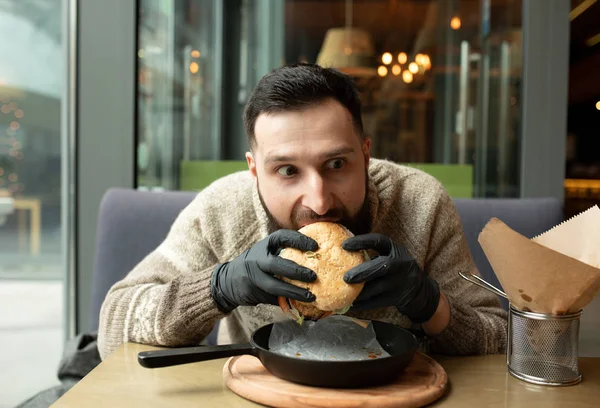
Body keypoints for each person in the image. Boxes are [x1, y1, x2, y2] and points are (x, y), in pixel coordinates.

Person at [97, 63, 507, 360]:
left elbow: (504, 337)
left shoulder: (422, 204)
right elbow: (113, 327)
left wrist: (429, 303)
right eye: (288, 171)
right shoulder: (223, 210)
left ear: (365, 155)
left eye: (336, 165)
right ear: (254, 170)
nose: (320, 201)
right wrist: (219, 287)